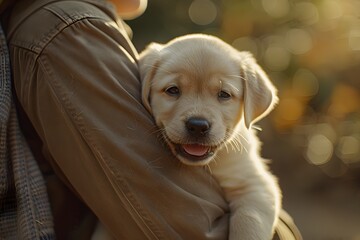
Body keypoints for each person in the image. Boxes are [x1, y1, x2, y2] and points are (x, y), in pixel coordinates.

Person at [0, 0, 302, 239]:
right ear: (142, 90)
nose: (198, 119)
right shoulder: (72, 30)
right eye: (173, 90)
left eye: (223, 95)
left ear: (251, 103)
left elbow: (256, 195)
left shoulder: (96, 31)